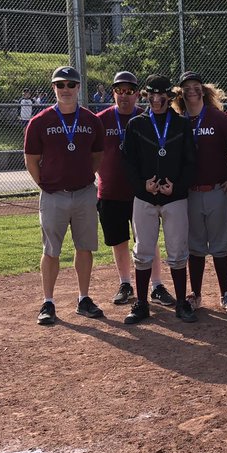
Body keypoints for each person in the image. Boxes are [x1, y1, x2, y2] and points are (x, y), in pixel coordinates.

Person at [23, 65, 105, 326]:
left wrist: (81, 179)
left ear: (79, 87)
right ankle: (48, 302)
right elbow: (31, 160)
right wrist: (46, 184)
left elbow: (97, 156)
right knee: (51, 250)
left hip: (83, 194)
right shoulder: (40, 122)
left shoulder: (92, 120)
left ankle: (83, 298)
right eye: (61, 85)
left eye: (71, 84)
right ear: (53, 88)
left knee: (85, 247)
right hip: (53, 196)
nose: (66, 89)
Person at [121, 74, 198, 324]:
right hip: (144, 197)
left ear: (170, 97)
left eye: (161, 95)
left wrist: (176, 187)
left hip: (174, 198)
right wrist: (142, 184)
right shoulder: (136, 124)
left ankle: (182, 303)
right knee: (143, 252)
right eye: (151, 95)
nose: (156, 100)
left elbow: (190, 163)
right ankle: (141, 303)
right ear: (146, 96)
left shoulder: (181, 125)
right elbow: (128, 162)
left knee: (177, 252)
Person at [174, 71, 227, 312]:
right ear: (181, 93)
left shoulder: (215, 116)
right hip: (190, 192)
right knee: (196, 245)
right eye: (187, 87)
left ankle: (226, 294)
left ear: (203, 89)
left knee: (221, 244)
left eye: (196, 86)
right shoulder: (179, 120)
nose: (192, 90)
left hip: (217, 190)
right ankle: (197, 294)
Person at [97, 71, 142, 305]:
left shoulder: (146, 118)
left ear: (137, 94)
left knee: (146, 240)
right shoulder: (101, 119)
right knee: (119, 241)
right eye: (119, 91)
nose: (124, 95)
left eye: (129, 91)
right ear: (113, 92)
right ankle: (125, 283)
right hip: (111, 191)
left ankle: (156, 284)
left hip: (141, 193)